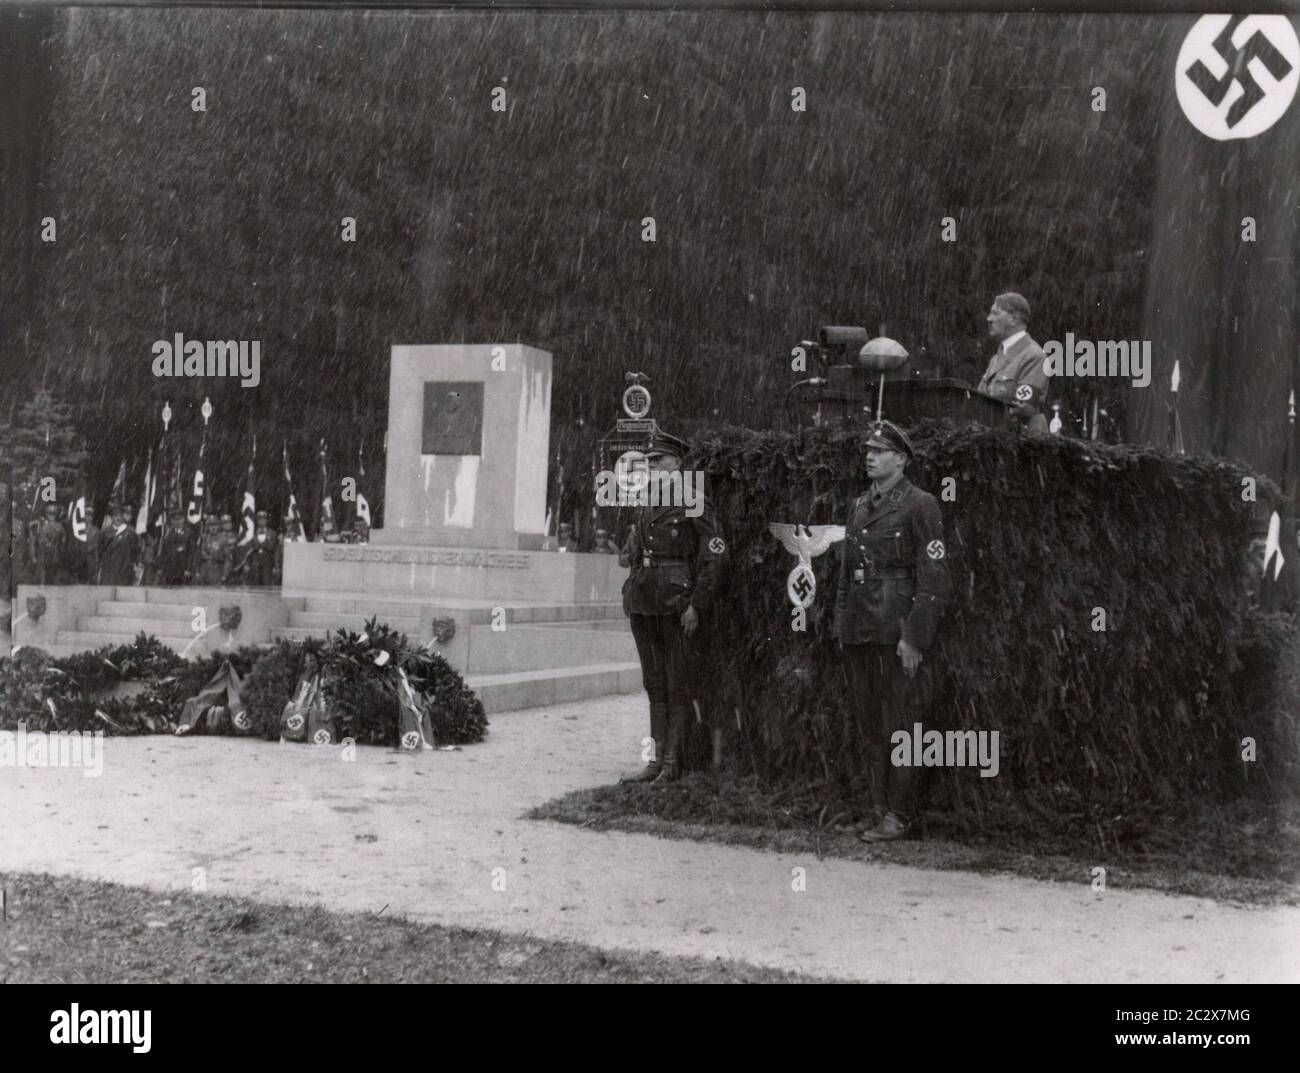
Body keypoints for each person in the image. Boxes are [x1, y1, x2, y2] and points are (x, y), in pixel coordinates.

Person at [834, 420, 952, 843]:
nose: (869, 456)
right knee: (869, 727)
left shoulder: (921, 505)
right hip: (861, 631)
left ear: (900, 460)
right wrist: (841, 627)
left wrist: (915, 637)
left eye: (880, 451)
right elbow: (847, 574)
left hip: (895, 630)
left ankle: (899, 816)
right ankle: (877, 809)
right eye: (868, 450)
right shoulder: (859, 506)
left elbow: (934, 576)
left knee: (902, 725)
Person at [618, 431, 728, 784]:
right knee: (653, 684)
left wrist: (697, 603)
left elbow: (715, 554)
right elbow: (633, 553)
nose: (650, 467)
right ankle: (654, 761)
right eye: (648, 462)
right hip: (644, 602)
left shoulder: (694, 500)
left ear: (677, 464)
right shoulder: (645, 502)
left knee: (677, 682)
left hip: (676, 602)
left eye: (658, 461)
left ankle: (671, 764)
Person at [978, 292, 1049, 434]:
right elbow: (979, 399)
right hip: (998, 439)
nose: (989, 319)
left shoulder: (1034, 356)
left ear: (1013, 319)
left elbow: (1023, 408)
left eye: (995, 313)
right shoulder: (996, 359)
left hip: (1025, 444)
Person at [97, 502, 142, 586]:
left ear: (123, 517)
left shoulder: (130, 532)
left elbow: (136, 551)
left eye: (120, 516)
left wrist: (135, 565)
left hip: (124, 571)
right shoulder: (105, 532)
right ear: (111, 517)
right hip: (108, 571)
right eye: (115, 515)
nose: (118, 518)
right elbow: (99, 551)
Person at [29, 503, 67, 585]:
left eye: (53, 514)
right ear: (46, 514)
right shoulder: (40, 525)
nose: (51, 516)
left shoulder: (60, 527)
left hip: (54, 557)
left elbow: (63, 541)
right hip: (42, 556)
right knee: (41, 580)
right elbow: (33, 542)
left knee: (54, 581)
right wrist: (33, 556)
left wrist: (61, 552)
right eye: (50, 514)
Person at [156, 509, 192, 586]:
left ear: (183, 520)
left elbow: (191, 552)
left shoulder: (188, 533)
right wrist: (161, 567)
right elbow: (164, 551)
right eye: (174, 520)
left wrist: (188, 569)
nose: (176, 522)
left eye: (178, 519)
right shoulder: (169, 533)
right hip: (170, 568)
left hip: (182, 568)